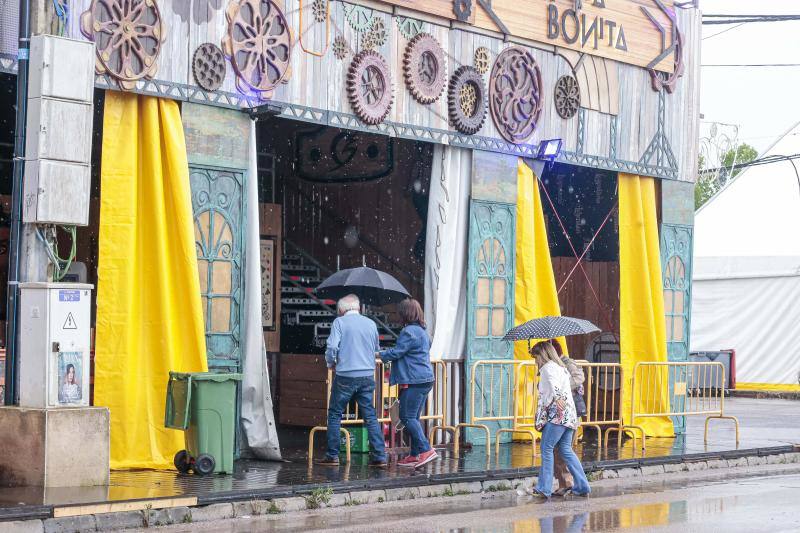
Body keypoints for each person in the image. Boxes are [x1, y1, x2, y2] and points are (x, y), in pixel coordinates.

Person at [318, 294, 387, 468]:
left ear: (341, 310)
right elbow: (376, 349)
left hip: (345, 376)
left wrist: (330, 362)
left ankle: (332, 455)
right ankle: (379, 456)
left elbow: (332, 346)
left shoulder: (339, 323)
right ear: (358, 308)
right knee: (370, 416)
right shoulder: (371, 324)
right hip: (366, 376)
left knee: (335, 414)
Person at [378, 298, 438, 469]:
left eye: (400, 313)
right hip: (425, 379)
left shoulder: (409, 331)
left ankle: (426, 450)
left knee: (407, 417)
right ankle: (414, 454)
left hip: (416, 380)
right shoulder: (421, 331)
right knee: (414, 418)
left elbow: (398, 352)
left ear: (405, 314)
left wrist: (379, 354)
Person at [530, 341, 591, 498]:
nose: (535, 361)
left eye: (536, 357)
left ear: (542, 355)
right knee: (566, 450)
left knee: (547, 448)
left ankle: (544, 487)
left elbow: (553, 384)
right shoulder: (561, 368)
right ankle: (582, 485)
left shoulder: (547, 368)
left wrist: (556, 397)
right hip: (570, 415)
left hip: (558, 414)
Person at [548, 339, 586, 497]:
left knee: (563, 450)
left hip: (569, 412)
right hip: (562, 411)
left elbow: (579, 377)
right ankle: (566, 483)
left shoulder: (567, 363)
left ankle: (569, 482)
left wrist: (562, 385)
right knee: (559, 450)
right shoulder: (555, 365)